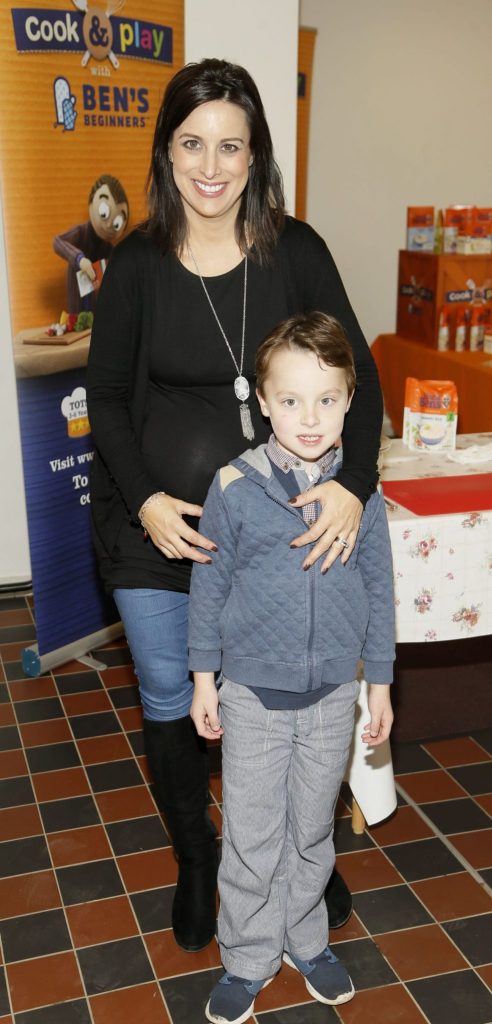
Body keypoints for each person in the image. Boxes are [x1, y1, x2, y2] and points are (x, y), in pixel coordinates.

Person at [86, 58, 384, 955]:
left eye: (231, 146)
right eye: (191, 144)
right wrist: (143, 503)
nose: (209, 167)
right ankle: (195, 858)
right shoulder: (135, 261)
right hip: (157, 532)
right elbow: (105, 399)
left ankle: (306, 857)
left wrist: (350, 486)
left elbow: (360, 383)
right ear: (165, 151)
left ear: (256, 157)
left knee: (294, 696)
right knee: (176, 693)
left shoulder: (296, 251)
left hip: (279, 533)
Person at [188, 312, 395, 1022]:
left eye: (328, 399)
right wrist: (204, 678)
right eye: (291, 400)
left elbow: (379, 588)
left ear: (349, 401)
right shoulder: (236, 487)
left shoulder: (359, 495)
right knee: (251, 831)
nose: (310, 418)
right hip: (250, 693)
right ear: (263, 402)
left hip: (334, 692)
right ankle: (247, 955)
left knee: (311, 827)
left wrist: (380, 682)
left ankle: (306, 938)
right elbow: (209, 586)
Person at [53, 174, 129, 312]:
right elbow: (58, 242)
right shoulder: (80, 233)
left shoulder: (110, 249)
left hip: (99, 313)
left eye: (117, 223)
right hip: (77, 306)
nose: (110, 225)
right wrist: (79, 259)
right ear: (91, 204)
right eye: (104, 212)